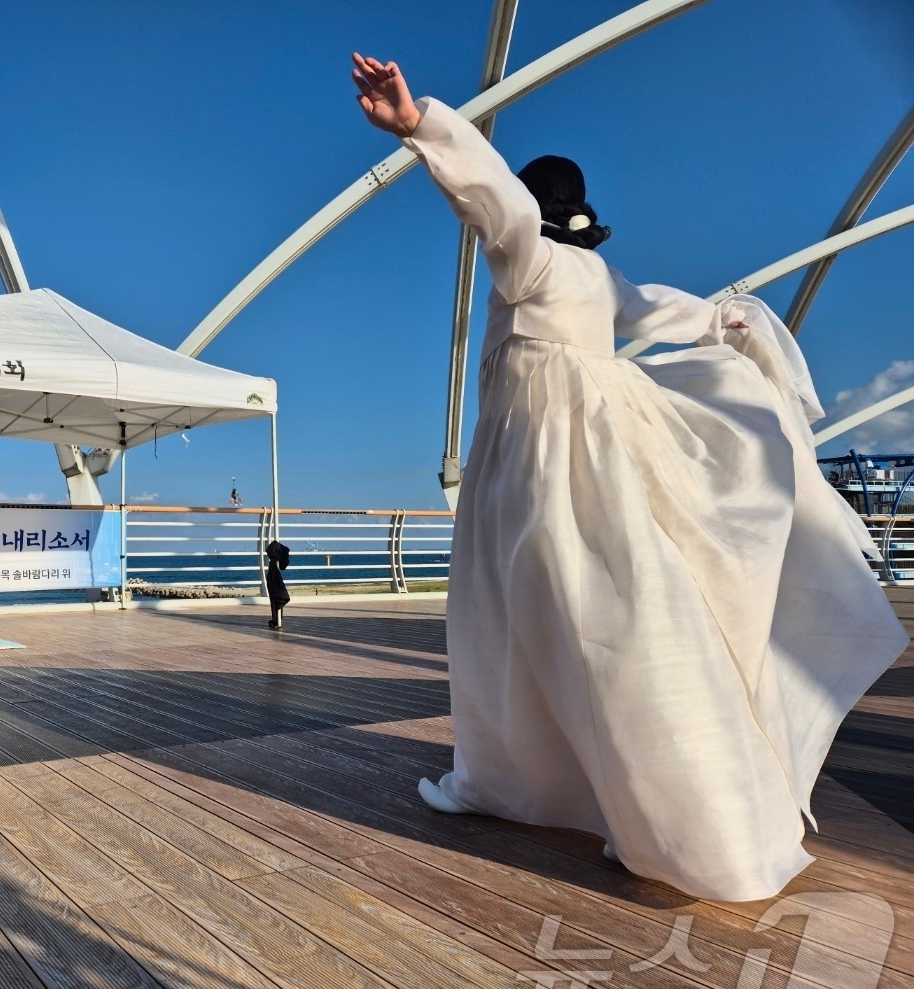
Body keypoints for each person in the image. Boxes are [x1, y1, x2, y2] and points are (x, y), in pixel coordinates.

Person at [352, 53, 907, 901]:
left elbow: (491, 196)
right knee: (613, 610)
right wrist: (729, 322)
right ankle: (660, 809)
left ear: (539, 217)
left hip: (533, 465)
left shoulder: (526, 260)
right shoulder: (603, 278)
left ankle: (531, 782)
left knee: (515, 617)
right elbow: (671, 311)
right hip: (601, 447)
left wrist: (421, 125)